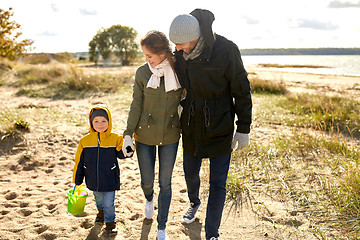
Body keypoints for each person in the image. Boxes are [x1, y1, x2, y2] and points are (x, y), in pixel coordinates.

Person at [169, 9, 252, 240]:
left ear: (195, 36)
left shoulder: (226, 50)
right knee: (190, 175)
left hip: (221, 124)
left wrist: (243, 128)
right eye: (174, 44)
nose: (177, 49)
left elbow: (241, 89)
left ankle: (212, 232)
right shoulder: (179, 56)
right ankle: (194, 203)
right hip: (191, 125)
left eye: (181, 43)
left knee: (218, 183)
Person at [122, 30, 183, 240]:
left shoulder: (178, 71)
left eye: (149, 55)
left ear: (163, 54)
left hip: (170, 135)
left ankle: (161, 227)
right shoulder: (142, 73)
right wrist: (128, 133)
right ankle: (149, 199)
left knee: (165, 182)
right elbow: (136, 104)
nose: (146, 59)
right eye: (145, 56)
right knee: (147, 181)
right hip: (145, 135)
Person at [73, 104, 133, 236]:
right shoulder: (85, 141)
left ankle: (110, 224)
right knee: (99, 200)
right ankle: (100, 212)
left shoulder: (115, 139)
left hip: (110, 178)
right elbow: (79, 162)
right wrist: (77, 180)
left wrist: (128, 150)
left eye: (104, 121)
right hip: (92, 179)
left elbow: (122, 154)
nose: (100, 124)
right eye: (96, 121)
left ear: (109, 122)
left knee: (109, 203)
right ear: (91, 122)